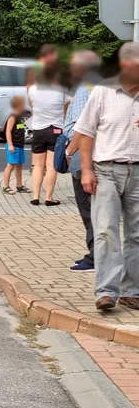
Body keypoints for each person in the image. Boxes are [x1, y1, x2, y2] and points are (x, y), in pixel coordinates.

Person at [76, 42, 139, 311]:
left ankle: (132, 290)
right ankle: (106, 292)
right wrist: (86, 170)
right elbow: (86, 132)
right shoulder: (103, 92)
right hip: (105, 171)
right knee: (105, 231)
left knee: (137, 235)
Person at [62, 50, 103, 271]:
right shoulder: (101, 84)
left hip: (83, 156)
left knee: (88, 209)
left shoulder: (85, 87)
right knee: (93, 210)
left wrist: (69, 151)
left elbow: (81, 127)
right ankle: (94, 253)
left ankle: (95, 258)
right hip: (96, 155)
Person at [27, 64, 70, 206]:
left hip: (38, 130)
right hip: (56, 130)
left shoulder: (33, 90)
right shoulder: (62, 91)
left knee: (38, 166)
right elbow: (68, 104)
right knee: (51, 166)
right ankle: (49, 198)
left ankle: (35, 196)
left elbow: (32, 105)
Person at [2, 96, 28, 194]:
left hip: (20, 145)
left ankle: (19, 185)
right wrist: (10, 145)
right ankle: (6, 186)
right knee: (10, 165)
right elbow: (8, 131)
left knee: (19, 165)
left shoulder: (20, 117)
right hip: (14, 145)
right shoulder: (12, 117)